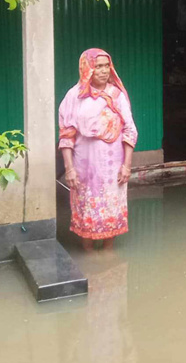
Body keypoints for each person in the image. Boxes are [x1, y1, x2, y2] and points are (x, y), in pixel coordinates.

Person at [59, 49, 138, 251]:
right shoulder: (74, 97)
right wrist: (69, 169)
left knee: (111, 205)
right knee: (87, 207)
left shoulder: (116, 95)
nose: (103, 71)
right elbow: (67, 135)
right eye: (98, 66)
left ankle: (107, 254)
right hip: (85, 166)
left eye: (106, 66)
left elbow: (129, 130)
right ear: (87, 69)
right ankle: (89, 254)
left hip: (113, 166)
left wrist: (127, 166)